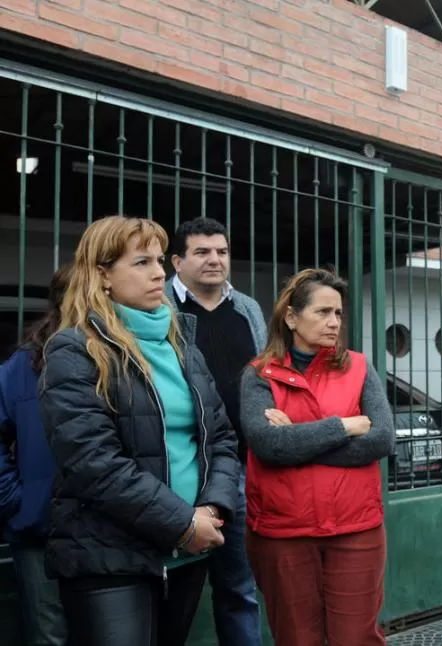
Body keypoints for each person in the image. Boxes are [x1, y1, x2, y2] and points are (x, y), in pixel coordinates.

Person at [36, 215, 240, 646]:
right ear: (103, 275)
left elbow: (219, 436)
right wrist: (183, 521)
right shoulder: (74, 350)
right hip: (110, 555)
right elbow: (93, 463)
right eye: (141, 262)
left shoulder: (181, 343)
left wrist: (213, 507)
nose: (158, 273)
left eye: (159, 262)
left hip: (188, 549)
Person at [239, 268, 395, 646]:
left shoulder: (359, 367)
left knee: (356, 638)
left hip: (356, 530)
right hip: (284, 534)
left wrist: (298, 438)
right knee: (296, 638)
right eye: (322, 312)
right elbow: (269, 446)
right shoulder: (259, 375)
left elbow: (381, 439)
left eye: (338, 313)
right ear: (291, 317)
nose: (334, 322)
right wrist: (342, 426)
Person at [166, 216, 265, 646]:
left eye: (221, 252)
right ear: (177, 261)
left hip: (240, 468)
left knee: (239, 590)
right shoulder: (161, 310)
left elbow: (265, 373)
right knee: (170, 593)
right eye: (202, 252)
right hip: (180, 470)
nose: (214, 260)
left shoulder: (247, 309)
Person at [0, 266, 73, 646]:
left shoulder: (125, 357)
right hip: (38, 530)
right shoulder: (21, 366)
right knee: (50, 638)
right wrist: (18, 500)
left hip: (117, 531)